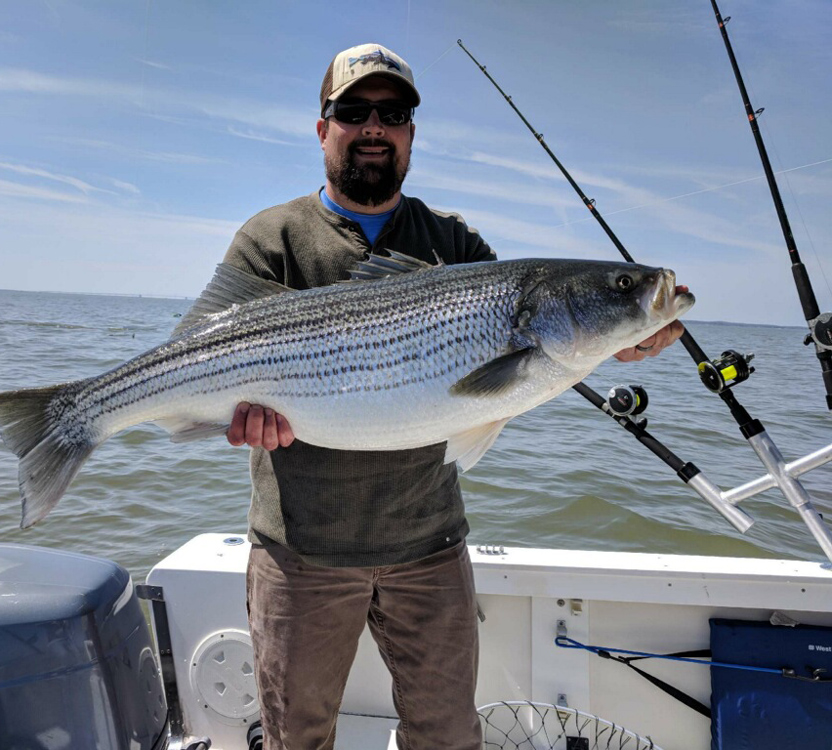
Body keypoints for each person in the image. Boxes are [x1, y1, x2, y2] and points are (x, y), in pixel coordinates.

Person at [220, 43, 684, 750]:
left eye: (394, 113)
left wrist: (618, 333)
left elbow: (525, 368)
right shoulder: (272, 238)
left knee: (447, 736)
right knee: (296, 739)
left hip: (429, 546)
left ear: (410, 134)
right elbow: (208, 350)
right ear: (323, 128)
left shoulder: (454, 242)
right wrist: (239, 414)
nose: (374, 126)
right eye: (354, 111)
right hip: (301, 551)